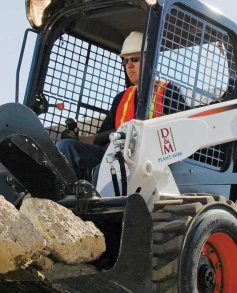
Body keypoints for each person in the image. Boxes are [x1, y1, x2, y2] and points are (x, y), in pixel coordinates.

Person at [56, 31, 188, 182]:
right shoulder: (122, 98)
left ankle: (95, 202)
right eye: (125, 61)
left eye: (135, 59)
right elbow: (101, 139)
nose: (129, 65)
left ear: (150, 59)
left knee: (108, 166)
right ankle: (65, 201)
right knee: (66, 147)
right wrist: (77, 138)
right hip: (116, 157)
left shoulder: (169, 91)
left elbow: (180, 135)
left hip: (151, 163)